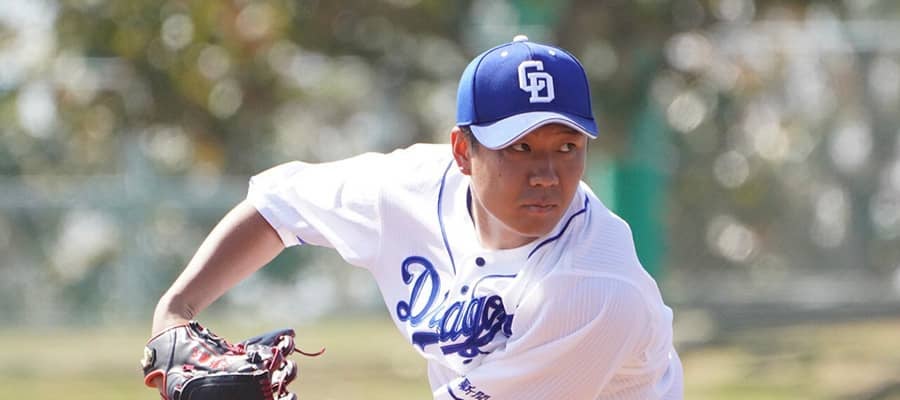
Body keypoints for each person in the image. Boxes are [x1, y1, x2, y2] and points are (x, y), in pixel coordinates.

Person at [150, 34, 683, 399]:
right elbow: (277, 204)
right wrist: (174, 312)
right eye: (519, 148)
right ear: (462, 151)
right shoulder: (410, 188)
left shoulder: (594, 287)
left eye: (567, 146)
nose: (547, 174)